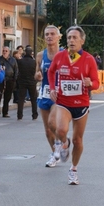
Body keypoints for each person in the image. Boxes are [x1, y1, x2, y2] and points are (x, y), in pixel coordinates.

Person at [48, 25, 100, 185]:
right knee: (61, 129)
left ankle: (73, 169)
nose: (71, 40)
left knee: (78, 140)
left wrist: (90, 83)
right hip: (64, 102)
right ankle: (64, 143)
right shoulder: (60, 56)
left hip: (82, 104)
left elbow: (97, 83)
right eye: (69, 37)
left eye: (75, 38)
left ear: (82, 41)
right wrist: (52, 88)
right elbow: (51, 72)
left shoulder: (89, 59)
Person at [35, 25, 63, 168]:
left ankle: (59, 146)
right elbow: (36, 73)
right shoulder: (40, 55)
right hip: (44, 93)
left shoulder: (66, 54)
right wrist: (38, 75)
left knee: (53, 123)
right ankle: (55, 154)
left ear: (59, 37)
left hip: (60, 95)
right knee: (47, 130)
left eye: (52, 34)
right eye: (47, 34)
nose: (49, 36)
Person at [0, 46, 18, 118]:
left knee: (7, 97)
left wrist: (15, 79)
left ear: (9, 52)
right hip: (1, 80)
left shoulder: (13, 60)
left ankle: (5, 112)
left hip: (10, 80)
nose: (4, 52)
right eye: (3, 51)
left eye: (6, 51)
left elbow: (16, 70)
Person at [16, 47, 38, 120]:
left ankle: (19, 115)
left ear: (25, 52)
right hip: (32, 81)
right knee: (33, 99)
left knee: (21, 99)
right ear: (31, 53)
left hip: (22, 81)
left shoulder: (20, 61)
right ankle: (34, 115)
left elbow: (18, 71)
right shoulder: (34, 62)